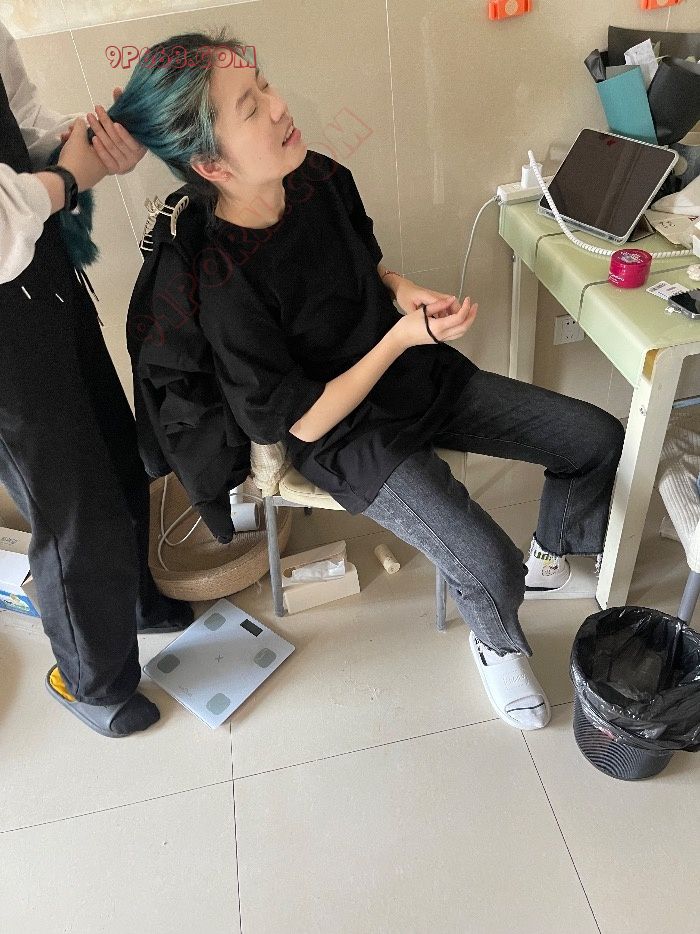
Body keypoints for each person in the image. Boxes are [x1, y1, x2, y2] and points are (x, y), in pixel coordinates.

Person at [101, 31, 625, 731]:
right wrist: (400, 337)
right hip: (347, 435)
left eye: (265, 85)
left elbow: (367, 265)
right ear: (211, 164)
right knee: (488, 564)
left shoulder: (319, 177)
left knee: (594, 437)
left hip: (417, 375)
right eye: (251, 106)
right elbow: (305, 422)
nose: (280, 106)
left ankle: (552, 555)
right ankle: (497, 645)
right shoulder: (223, 286)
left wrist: (404, 293)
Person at [0, 20, 194, 739]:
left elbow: (22, 128)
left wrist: (87, 142)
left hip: (39, 272)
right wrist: (70, 177)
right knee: (70, 505)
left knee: (117, 452)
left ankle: (133, 601)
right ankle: (94, 681)